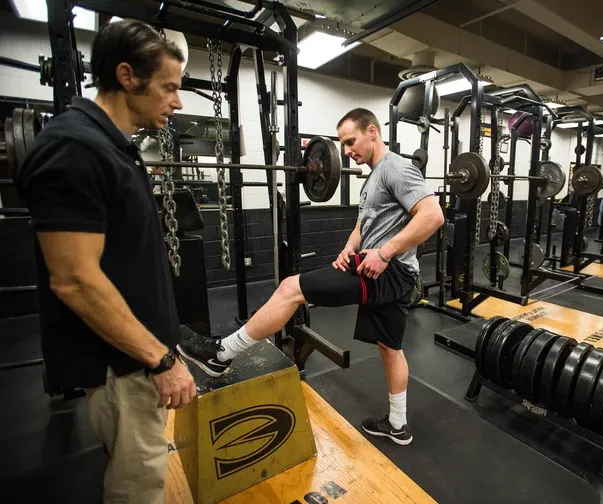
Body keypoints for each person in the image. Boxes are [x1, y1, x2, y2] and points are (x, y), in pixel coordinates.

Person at [177, 108, 444, 445]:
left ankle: (221, 354)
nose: (346, 151)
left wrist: (384, 252)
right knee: (390, 348)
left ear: (372, 132)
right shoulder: (374, 175)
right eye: (343, 144)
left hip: (387, 271)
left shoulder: (396, 168)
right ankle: (398, 424)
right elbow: (366, 222)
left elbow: (433, 216)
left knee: (291, 288)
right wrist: (350, 247)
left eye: (351, 141)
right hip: (383, 269)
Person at [14, 20, 196, 504]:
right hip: (126, 368)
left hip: (136, 361)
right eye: (169, 88)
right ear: (127, 76)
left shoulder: (114, 146)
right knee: (139, 487)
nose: (177, 102)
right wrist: (160, 359)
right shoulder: (74, 148)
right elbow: (74, 280)